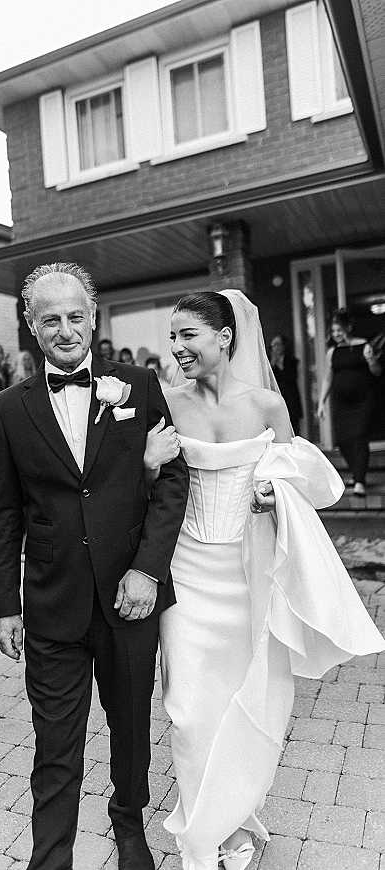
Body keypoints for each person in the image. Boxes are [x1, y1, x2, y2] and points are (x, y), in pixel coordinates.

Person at [144, 290, 385, 870]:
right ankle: (204, 837)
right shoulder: (167, 402)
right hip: (186, 572)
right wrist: (148, 462)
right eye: (172, 336)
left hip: (248, 570)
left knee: (249, 698)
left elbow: (304, 479)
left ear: (225, 337)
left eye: (188, 335)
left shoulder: (267, 407)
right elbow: (140, 492)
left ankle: (234, 819)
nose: (176, 348)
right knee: (189, 708)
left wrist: (272, 489)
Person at [0, 262, 188, 870]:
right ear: (30, 325)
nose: (66, 329)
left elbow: (172, 482)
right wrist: (3, 606)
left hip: (130, 597)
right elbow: (3, 515)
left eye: (76, 316)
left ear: (93, 316)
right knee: (55, 747)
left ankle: (129, 827)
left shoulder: (139, 385)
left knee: (131, 733)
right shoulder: (7, 408)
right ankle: (50, 859)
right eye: (51, 319)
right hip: (51, 604)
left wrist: (148, 569)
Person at [317, 309, 382, 496]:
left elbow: (376, 372)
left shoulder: (364, 346)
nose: (336, 334)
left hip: (363, 401)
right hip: (341, 403)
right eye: (333, 331)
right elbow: (328, 379)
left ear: (348, 328)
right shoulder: (332, 352)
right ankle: (356, 472)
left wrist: (371, 360)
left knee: (360, 437)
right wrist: (321, 402)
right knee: (344, 440)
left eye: (339, 330)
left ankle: (359, 481)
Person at [268, 334, 303, 435]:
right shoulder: (268, 364)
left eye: (279, 344)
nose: (277, 347)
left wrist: (281, 365)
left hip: (291, 399)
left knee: (294, 428)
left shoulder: (291, 361)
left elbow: (292, 377)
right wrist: (273, 363)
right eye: (274, 345)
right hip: (276, 399)